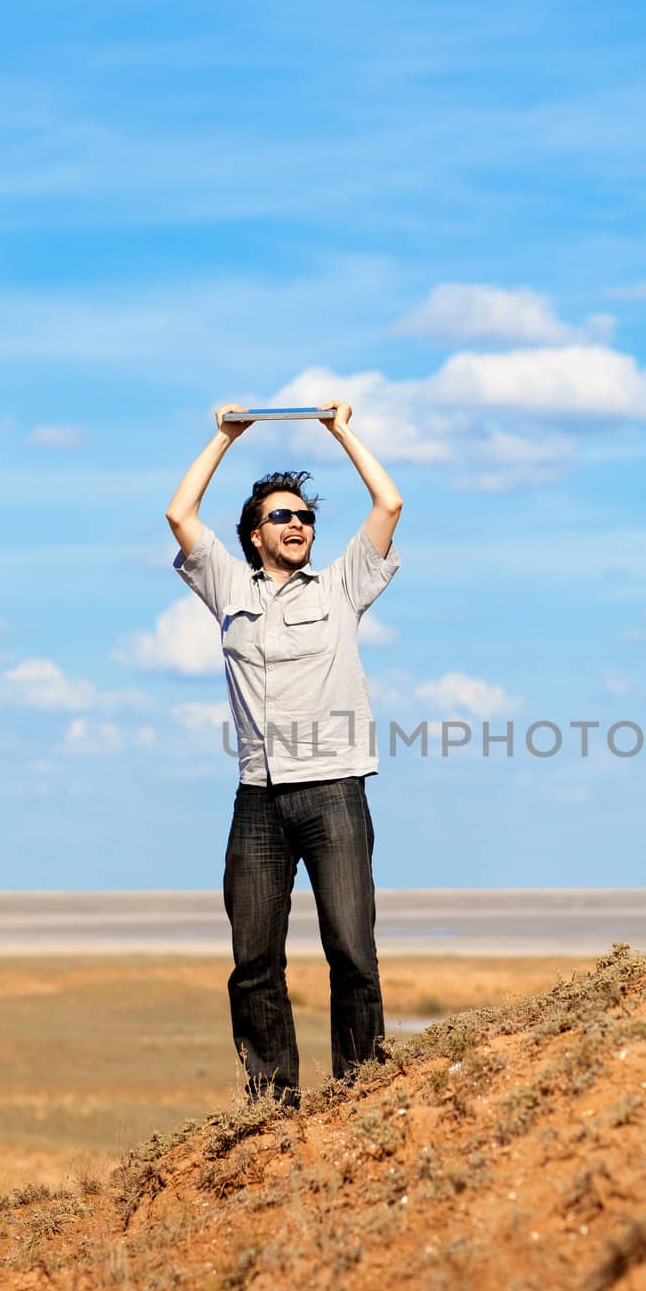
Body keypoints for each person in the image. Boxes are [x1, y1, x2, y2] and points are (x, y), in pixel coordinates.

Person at [165, 399, 403, 1107]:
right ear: (253, 534)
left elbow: (388, 502)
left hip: (332, 791)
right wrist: (224, 438)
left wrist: (341, 431)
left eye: (304, 517)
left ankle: (361, 1092)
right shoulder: (228, 587)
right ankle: (272, 1102)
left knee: (352, 952)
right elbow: (180, 515)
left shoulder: (339, 588)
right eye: (281, 516)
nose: (297, 524)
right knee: (253, 962)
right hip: (258, 798)